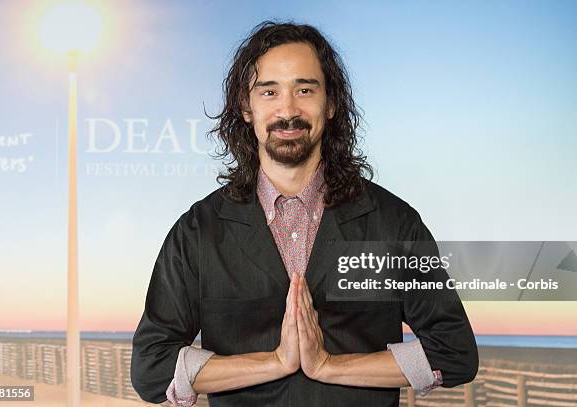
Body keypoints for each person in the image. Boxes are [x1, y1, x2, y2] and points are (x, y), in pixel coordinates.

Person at [130, 21, 478, 407]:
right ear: (247, 108)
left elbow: (453, 351)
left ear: (330, 104)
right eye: (269, 91)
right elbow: (151, 368)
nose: (288, 109)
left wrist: (329, 366)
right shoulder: (199, 231)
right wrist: (274, 363)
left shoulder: (392, 222)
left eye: (305, 89)